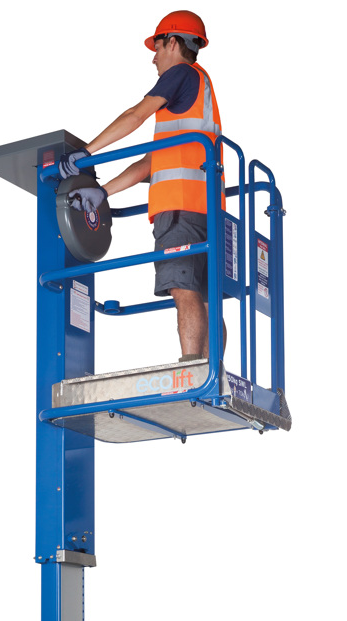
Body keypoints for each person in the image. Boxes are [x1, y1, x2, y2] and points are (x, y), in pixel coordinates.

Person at [56, 11, 225, 364]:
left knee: (183, 287)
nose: (154, 57)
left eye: (157, 47)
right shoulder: (197, 95)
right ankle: (213, 372)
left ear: (174, 43)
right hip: (208, 210)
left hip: (179, 209)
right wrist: (104, 192)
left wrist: (87, 152)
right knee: (207, 296)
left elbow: (135, 115)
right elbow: (150, 164)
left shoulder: (181, 74)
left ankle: (192, 372)